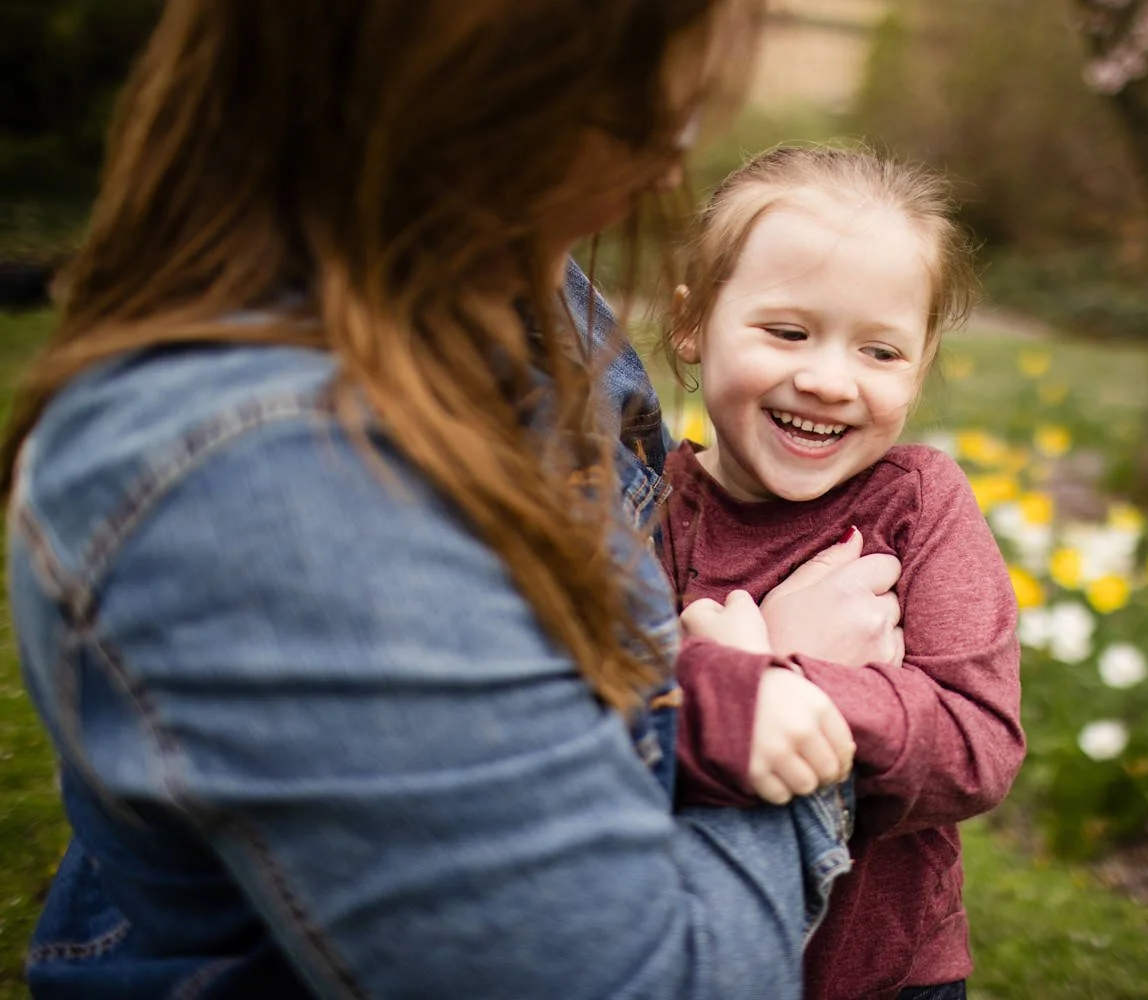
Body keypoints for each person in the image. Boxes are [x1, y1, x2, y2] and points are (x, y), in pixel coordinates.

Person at [2, 4, 905, 997]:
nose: (679, 140)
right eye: (671, 84)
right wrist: (783, 697)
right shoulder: (280, 484)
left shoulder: (529, 291)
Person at [659, 145, 1027, 1000]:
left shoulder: (919, 505)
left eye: (880, 352)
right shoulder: (649, 510)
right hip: (704, 956)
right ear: (692, 323)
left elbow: (978, 745)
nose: (829, 380)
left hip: (888, 975)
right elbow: (616, 735)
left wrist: (790, 686)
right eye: (787, 332)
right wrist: (726, 698)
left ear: (923, 361)